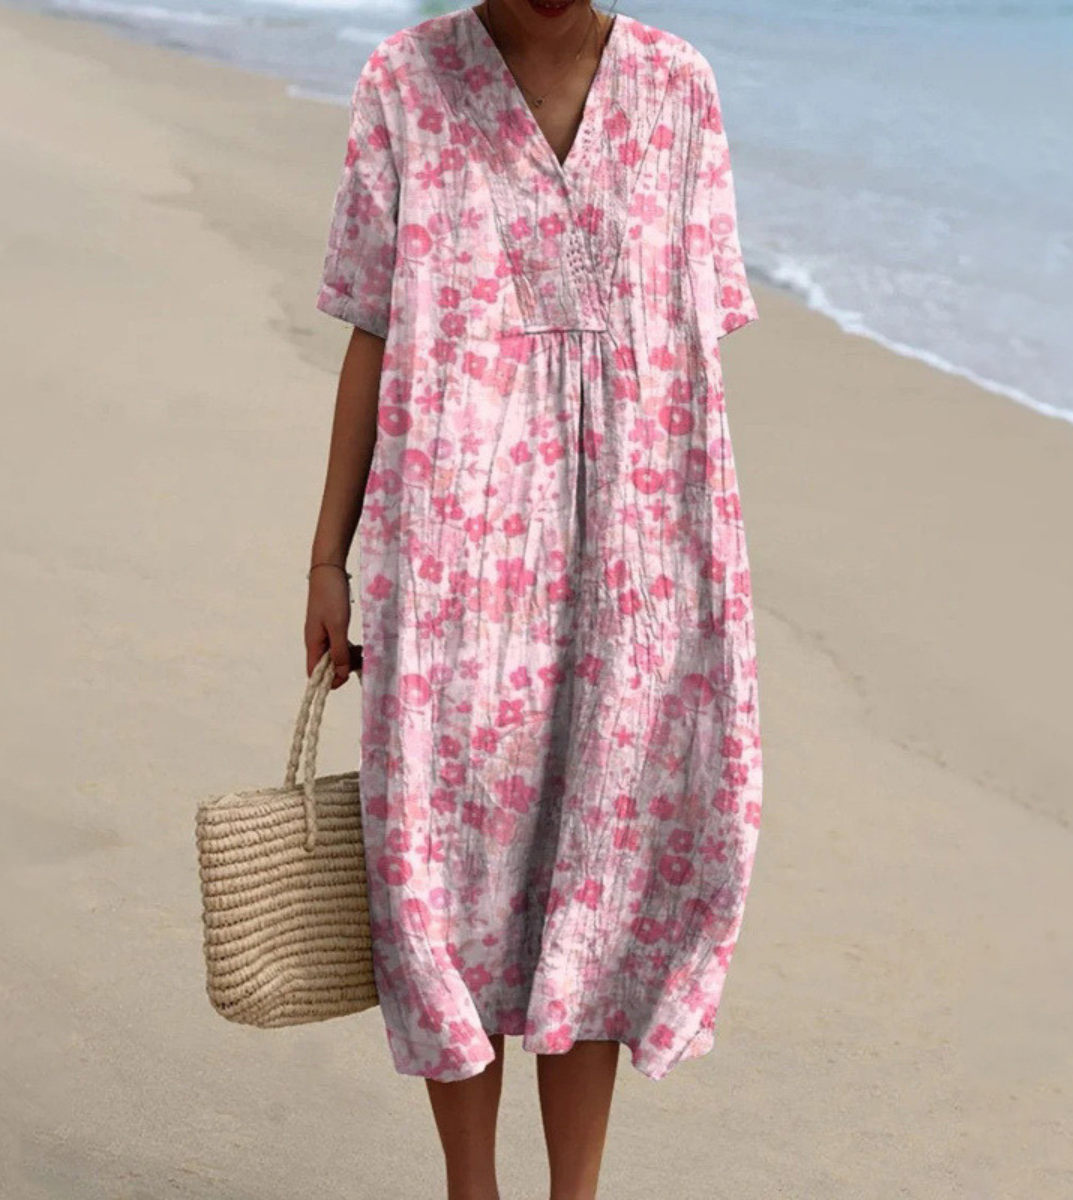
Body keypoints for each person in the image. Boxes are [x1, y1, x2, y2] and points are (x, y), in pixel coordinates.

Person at [305, 2, 763, 1197]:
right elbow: (372, 328)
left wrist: (695, 573)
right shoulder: (407, 82)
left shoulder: (677, 90)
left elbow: (692, 360)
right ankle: (472, 1190)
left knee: (600, 868)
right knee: (447, 865)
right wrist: (326, 558)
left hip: (632, 559)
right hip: (451, 558)